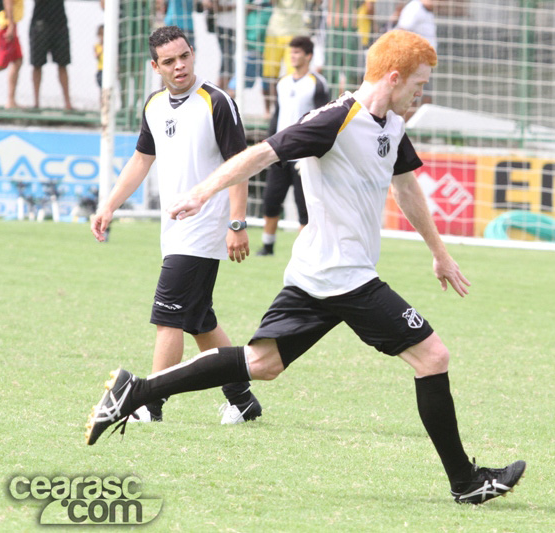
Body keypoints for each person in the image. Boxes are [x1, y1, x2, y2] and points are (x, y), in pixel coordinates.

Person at [85, 29, 525, 505]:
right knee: (432, 357)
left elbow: (405, 187)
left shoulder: (393, 124)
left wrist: (439, 252)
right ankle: (466, 482)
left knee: (263, 364)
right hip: (344, 276)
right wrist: (203, 193)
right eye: (419, 83)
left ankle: (134, 391)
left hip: (317, 274)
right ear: (395, 78)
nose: (422, 93)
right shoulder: (334, 119)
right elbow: (261, 153)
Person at [89, 26, 262, 425]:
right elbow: (141, 160)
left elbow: (239, 165)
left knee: (168, 317)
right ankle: (242, 400)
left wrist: (237, 223)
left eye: (184, 56)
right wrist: (109, 205)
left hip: (205, 227)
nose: (179, 66)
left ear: (193, 54)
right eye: (169, 61)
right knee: (199, 320)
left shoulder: (217, 101)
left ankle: (150, 406)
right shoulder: (153, 105)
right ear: (156, 67)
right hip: (174, 230)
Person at [257, 35, 329, 256]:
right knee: (271, 200)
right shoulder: (282, 82)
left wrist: (315, 150)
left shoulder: (317, 83)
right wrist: (269, 141)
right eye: (291, 52)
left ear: (308, 56)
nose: (293, 56)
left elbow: (324, 119)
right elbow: (277, 115)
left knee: (304, 206)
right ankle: (268, 245)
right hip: (280, 153)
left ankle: (304, 252)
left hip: (303, 157)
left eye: (297, 52)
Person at [263, 0, 311, 112]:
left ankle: (290, 108)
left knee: (294, 73)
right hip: (275, 32)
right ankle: (271, 110)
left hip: (295, 32)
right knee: (270, 75)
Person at [29, 0, 72, 110]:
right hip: (40, 21)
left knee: (63, 64)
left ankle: (68, 104)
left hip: (59, 23)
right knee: (37, 64)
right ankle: (36, 103)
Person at [395, 0, 434, 111]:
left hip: (426, 62)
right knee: (414, 99)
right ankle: (405, 121)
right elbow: (401, 31)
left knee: (425, 98)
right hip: (417, 62)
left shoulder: (427, 10)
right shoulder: (414, 8)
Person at [0, 0, 23, 109]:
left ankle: (11, 101)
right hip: (7, 26)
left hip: (10, 25)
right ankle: (10, 101)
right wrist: (11, 26)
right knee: (2, 64)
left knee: (18, 60)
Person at [94, 25, 103, 90]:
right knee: (102, 88)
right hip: (101, 69)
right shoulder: (96, 46)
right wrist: (102, 49)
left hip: (110, 69)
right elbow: (96, 56)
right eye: (101, 34)